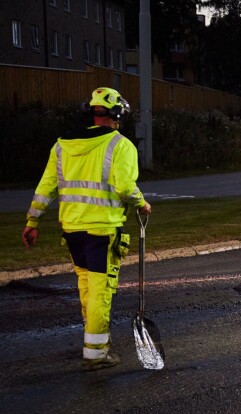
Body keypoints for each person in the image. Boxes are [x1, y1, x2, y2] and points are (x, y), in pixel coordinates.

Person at [21, 87, 152, 371]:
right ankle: (96, 354)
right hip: (102, 230)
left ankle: (95, 341)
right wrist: (142, 203)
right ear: (118, 115)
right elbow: (125, 187)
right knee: (100, 291)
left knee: (86, 286)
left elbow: (46, 187)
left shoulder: (62, 145)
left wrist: (33, 221)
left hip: (72, 230)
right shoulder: (120, 145)